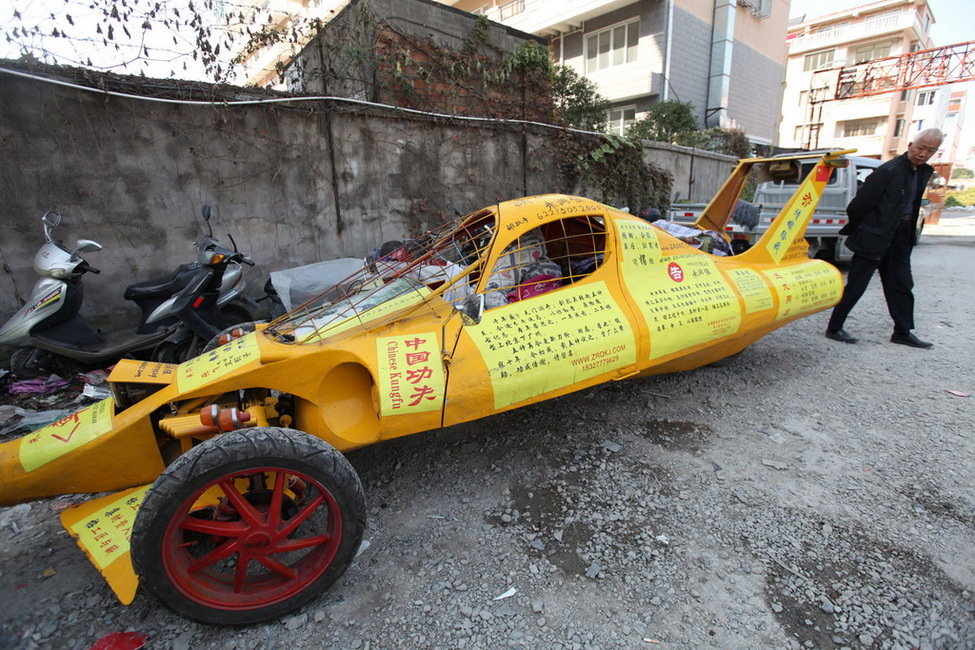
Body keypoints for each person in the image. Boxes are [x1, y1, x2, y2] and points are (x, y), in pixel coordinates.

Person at [825, 128, 943, 348]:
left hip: (900, 236)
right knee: (857, 284)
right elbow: (858, 205)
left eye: (930, 151)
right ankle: (834, 327)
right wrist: (862, 230)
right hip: (875, 235)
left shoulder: (922, 172)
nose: (923, 154)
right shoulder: (889, 170)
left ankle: (902, 332)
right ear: (910, 145)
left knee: (901, 284)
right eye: (920, 148)